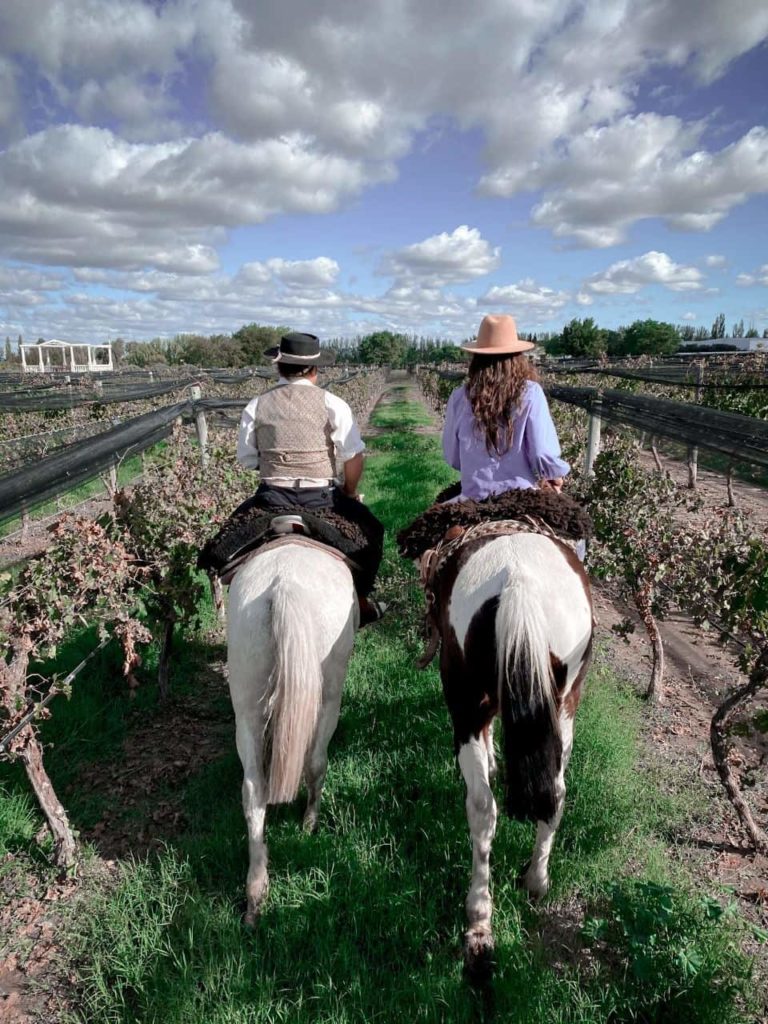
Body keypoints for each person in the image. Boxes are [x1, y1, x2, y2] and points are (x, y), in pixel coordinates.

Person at [235, 331, 386, 625]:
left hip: (271, 499)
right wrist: (350, 492)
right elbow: (353, 456)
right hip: (322, 500)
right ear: (315, 369)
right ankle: (363, 600)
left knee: (224, 545)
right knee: (373, 533)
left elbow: (247, 459)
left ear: (278, 367)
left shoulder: (256, 406)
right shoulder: (333, 403)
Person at [442, 314, 570, 499]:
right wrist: (554, 474)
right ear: (517, 357)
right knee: (575, 524)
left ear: (477, 358)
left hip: (473, 498)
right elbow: (542, 454)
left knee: (426, 525)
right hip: (522, 497)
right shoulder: (531, 393)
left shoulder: (459, 397)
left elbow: (453, 457)